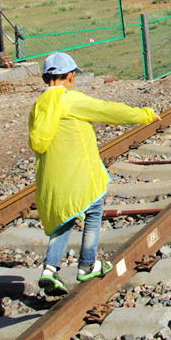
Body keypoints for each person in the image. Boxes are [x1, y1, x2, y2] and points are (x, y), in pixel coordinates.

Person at [27, 52, 158, 295]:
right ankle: (87, 264)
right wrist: (144, 115)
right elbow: (109, 111)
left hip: (51, 179)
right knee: (94, 209)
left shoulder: (38, 106)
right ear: (68, 76)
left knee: (63, 219)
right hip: (78, 174)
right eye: (73, 74)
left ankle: (49, 269)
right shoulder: (70, 100)